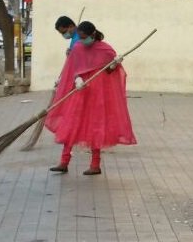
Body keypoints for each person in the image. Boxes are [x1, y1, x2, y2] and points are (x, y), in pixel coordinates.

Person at [44, 21, 136, 175]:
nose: (82, 40)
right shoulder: (78, 47)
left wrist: (115, 64)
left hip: (98, 94)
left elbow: (109, 71)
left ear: (93, 35)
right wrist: (77, 78)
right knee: (71, 123)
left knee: (95, 126)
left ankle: (95, 164)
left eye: (84, 37)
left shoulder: (106, 50)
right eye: (80, 37)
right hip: (80, 91)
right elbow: (73, 68)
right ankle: (64, 162)